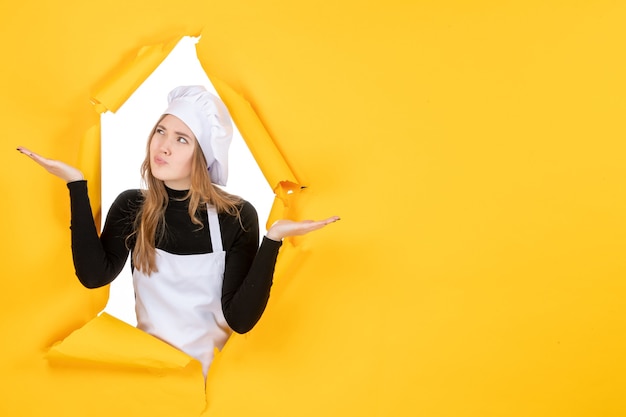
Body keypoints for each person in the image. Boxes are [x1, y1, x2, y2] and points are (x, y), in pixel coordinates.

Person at [17, 85, 339, 377]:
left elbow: (240, 320)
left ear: (201, 156)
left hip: (213, 388)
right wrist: (76, 184)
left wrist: (272, 240)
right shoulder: (134, 207)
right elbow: (93, 275)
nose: (164, 146)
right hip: (151, 380)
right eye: (161, 131)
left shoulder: (236, 216)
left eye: (181, 139)